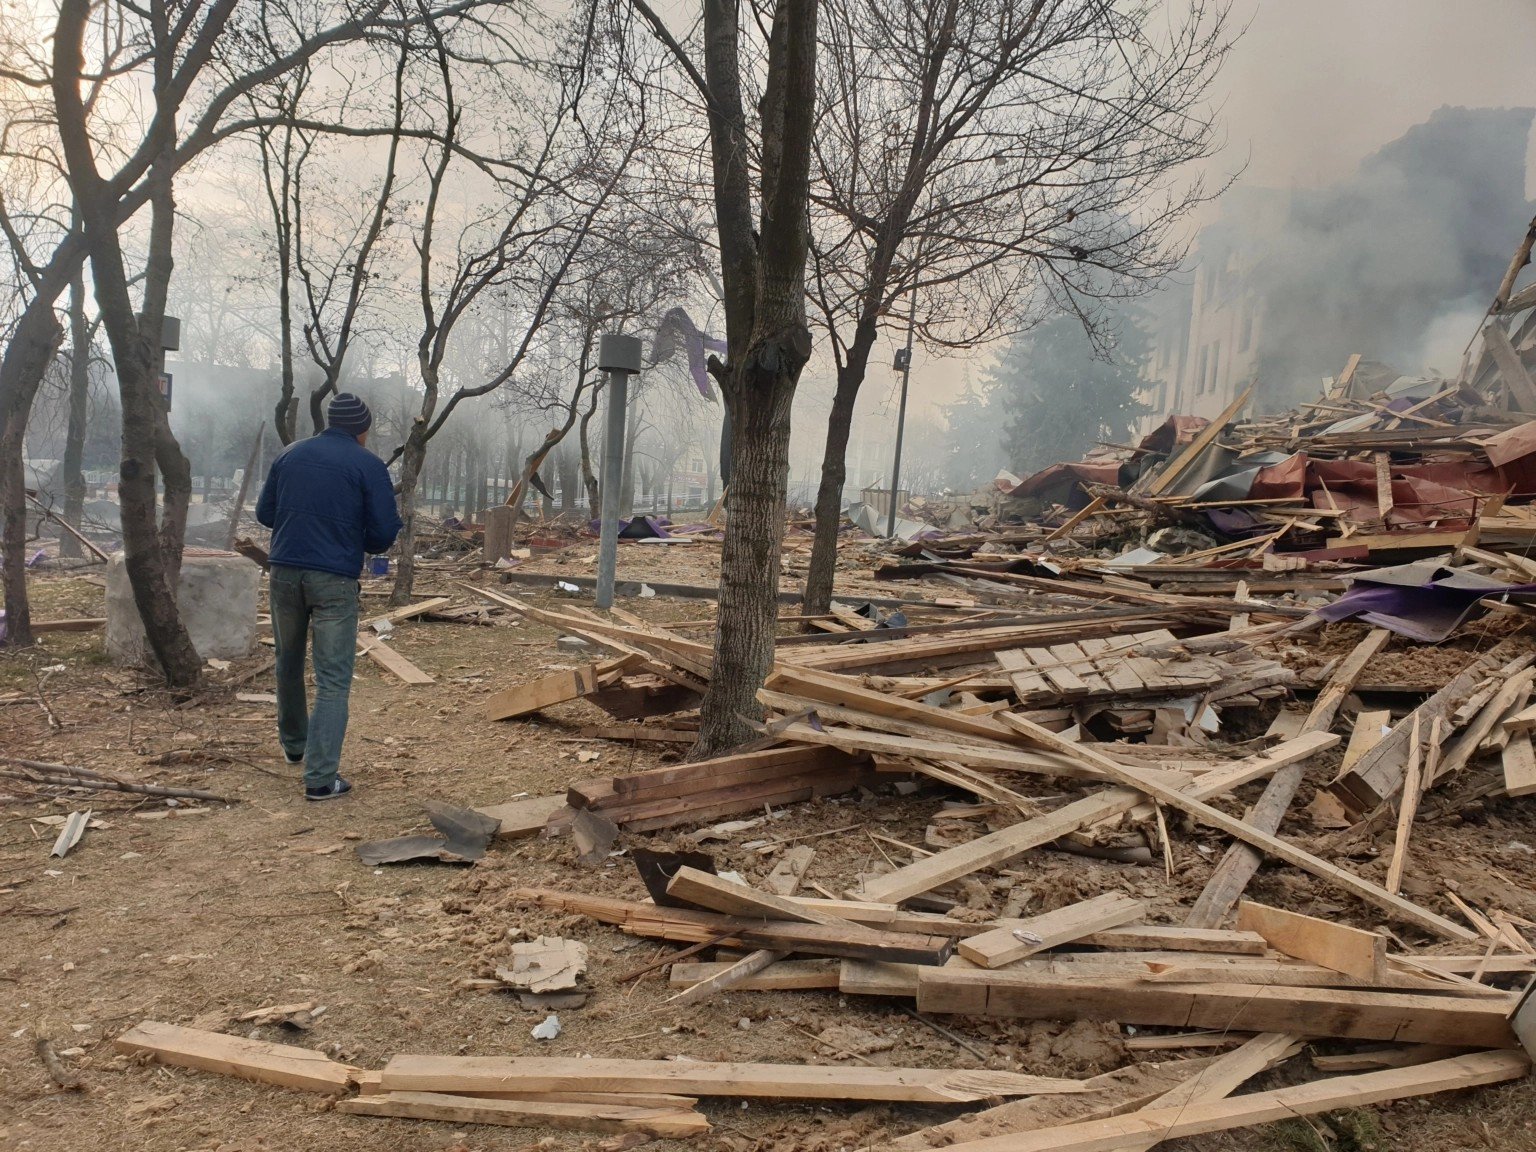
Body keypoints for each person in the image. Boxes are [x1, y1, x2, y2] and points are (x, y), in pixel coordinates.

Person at [255, 393, 402, 800]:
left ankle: (294, 747)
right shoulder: (368, 465)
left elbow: (265, 514)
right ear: (363, 430)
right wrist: (354, 536)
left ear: (327, 422)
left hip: (283, 571)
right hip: (334, 579)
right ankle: (320, 778)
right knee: (333, 678)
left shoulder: (290, 455)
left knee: (287, 661)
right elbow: (384, 534)